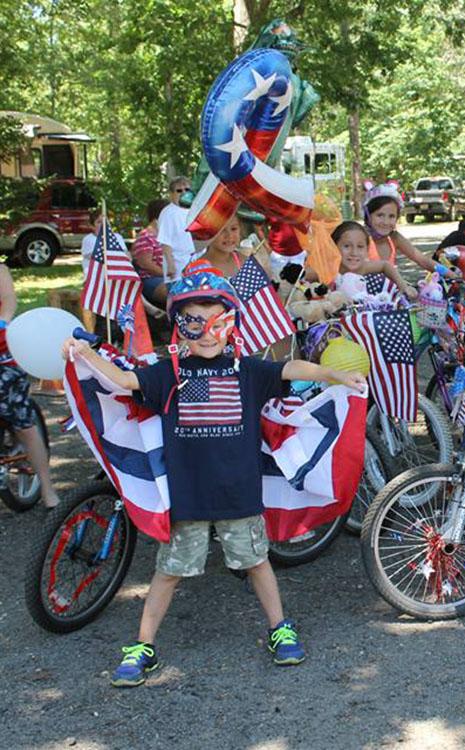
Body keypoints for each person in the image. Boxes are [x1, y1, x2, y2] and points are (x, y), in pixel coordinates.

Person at [62, 271, 366, 687]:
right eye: (193, 321)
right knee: (169, 571)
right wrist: (83, 354)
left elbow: (287, 367)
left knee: (257, 562)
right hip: (187, 498)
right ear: (178, 327)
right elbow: (125, 381)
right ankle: (143, 645)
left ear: (231, 324)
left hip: (239, 495)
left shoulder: (247, 372)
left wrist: (332, 375)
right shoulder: (167, 373)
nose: (206, 333)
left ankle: (280, 626)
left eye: (216, 321)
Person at [0, 264, 59, 509]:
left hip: (2, 355)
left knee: (22, 423)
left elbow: (8, 301)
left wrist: (2, 323)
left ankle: (47, 488)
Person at [332, 221, 417, 302]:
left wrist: (404, 287)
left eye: (360, 247)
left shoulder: (363, 267)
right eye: (347, 246)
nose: (354, 252)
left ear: (367, 249)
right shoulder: (329, 270)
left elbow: (385, 265)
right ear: (333, 247)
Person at [363, 184, 437, 273]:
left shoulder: (394, 238)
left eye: (391, 216)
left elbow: (423, 261)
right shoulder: (359, 237)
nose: (386, 222)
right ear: (368, 215)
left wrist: (450, 273)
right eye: (380, 215)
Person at [130, 199, 173, 306]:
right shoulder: (146, 236)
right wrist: (167, 274)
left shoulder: (167, 235)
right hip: (152, 280)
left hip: (168, 278)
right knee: (176, 292)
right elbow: (146, 264)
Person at [157, 177, 197, 280]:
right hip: (178, 268)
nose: (183, 193)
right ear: (171, 194)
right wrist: (170, 265)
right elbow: (165, 242)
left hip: (196, 265)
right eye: (179, 190)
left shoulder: (195, 210)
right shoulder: (168, 213)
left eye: (187, 190)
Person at [80, 210, 128, 275]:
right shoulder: (88, 239)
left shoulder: (117, 237)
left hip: (116, 273)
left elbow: (126, 255)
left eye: (105, 221)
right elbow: (93, 256)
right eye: (99, 222)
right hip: (96, 274)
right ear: (92, 226)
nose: (103, 224)